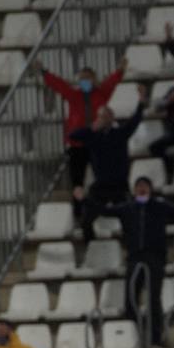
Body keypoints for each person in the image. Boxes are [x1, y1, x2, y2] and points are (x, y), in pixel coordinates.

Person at [103, 178, 174, 348]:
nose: (142, 190)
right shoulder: (128, 208)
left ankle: (155, 337)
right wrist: (85, 200)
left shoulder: (159, 206)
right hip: (134, 257)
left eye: (145, 187)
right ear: (134, 190)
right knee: (130, 297)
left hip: (155, 257)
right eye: (138, 187)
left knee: (154, 298)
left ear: (150, 189)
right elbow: (105, 211)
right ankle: (132, 335)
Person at [37, 59, 126, 217]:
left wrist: (120, 71)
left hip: (96, 143)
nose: (85, 81)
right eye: (82, 78)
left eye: (88, 78)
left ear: (94, 79)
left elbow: (111, 82)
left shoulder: (102, 94)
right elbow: (59, 85)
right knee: (77, 181)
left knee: (103, 177)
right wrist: (44, 72)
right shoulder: (74, 95)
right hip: (77, 145)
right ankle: (78, 213)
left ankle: (105, 208)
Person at [70, 90, 146, 239]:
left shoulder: (120, 133)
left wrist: (141, 103)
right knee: (87, 219)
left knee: (128, 219)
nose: (103, 119)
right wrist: (91, 129)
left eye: (105, 116)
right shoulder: (92, 136)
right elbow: (72, 136)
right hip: (101, 185)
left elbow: (135, 120)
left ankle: (130, 250)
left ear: (112, 118)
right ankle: (90, 247)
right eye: (100, 117)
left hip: (119, 184)